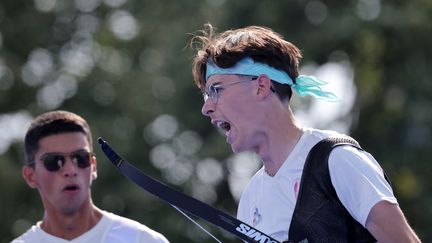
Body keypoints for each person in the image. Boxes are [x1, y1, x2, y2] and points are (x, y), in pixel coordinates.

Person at [191, 25, 421, 242]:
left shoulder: (337, 160)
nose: (206, 107)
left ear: (261, 86)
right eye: (205, 96)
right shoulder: (251, 198)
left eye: (216, 89)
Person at [13, 110, 169, 243]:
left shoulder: (142, 240)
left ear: (93, 166)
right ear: (30, 176)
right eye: (54, 161)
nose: (70, 170)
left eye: (80, 158)